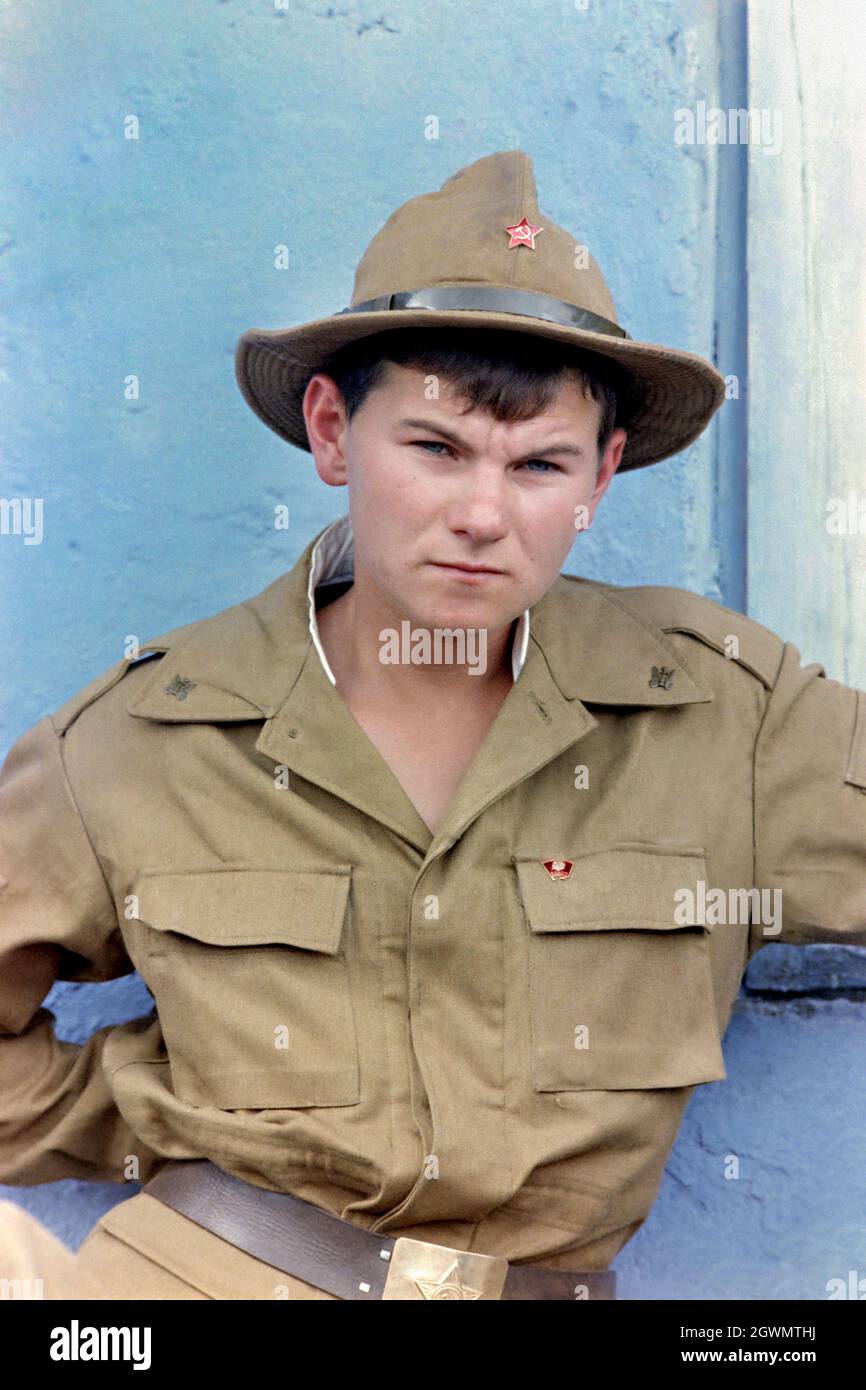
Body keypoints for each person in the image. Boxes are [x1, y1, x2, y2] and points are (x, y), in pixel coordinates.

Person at [1, 150, 863, 1301]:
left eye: (538, 464)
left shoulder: (724, 718)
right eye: (434, 448)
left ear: (600, 474)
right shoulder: (145, 734)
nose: (480, 515)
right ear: (331, 432)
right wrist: (154, 1104)